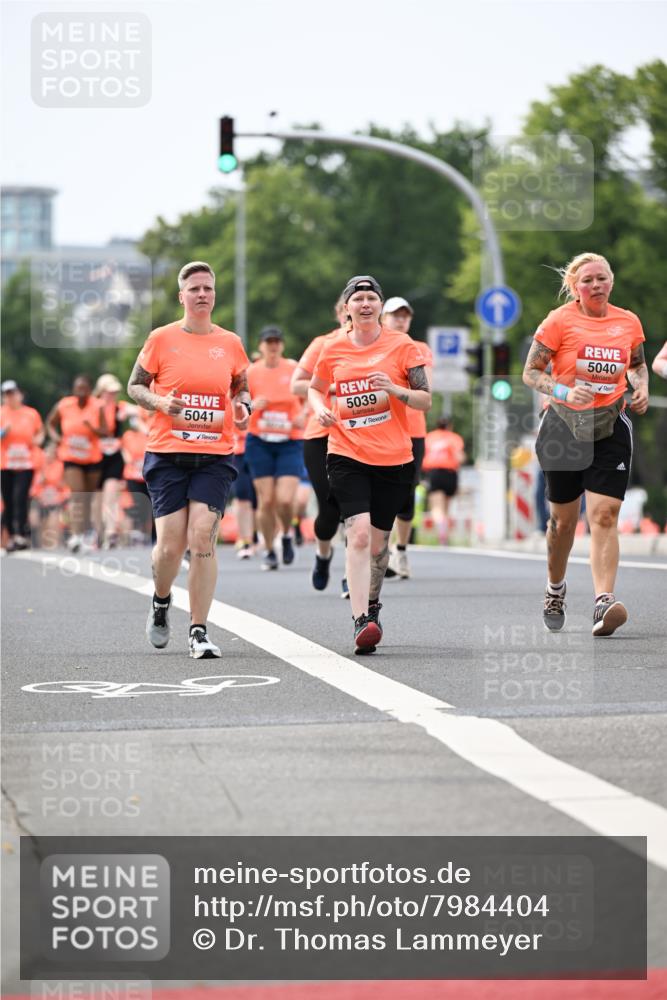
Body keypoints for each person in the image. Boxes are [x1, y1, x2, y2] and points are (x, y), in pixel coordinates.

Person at [127, 260, 251, 659]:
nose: (202, 294)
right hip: (167, 454)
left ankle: (198, 630)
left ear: (214, 295)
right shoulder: (161, 338)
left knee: (202, 536)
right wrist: (161, 402)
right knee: (169, 547)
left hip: (215, 454)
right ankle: (161, 601)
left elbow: (241, 384)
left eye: (208, 288)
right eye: (194, 288)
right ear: (182, 296)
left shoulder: (230, 342)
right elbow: (134, 386)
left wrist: (243, 404)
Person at [522, 252, 649, 637]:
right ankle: (555, 589)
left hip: (610, 423)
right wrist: (563, 390)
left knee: (605, 515)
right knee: (563, 522)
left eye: (602, 278)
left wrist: (641, 385)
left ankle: (603, 601)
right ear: (575, 287)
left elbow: (637, 364)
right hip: (563, 425)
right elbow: (531, 373)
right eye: (588, 280)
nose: (596, 285)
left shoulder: (628, 322)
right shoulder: (559, 321)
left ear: (611, 281)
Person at [309, 275, 431, 654]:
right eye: (358, 298)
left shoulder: (403, 346)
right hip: (346, 453)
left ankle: (372, 605)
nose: (365, 304)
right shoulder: (332, 348)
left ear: (380, 306)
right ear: (346, 308)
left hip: (394, 458)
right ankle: (361, 619)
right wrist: (319, 409)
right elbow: (315, 388)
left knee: (378, 544)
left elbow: (425, 399)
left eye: (371, 298)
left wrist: (394, 390)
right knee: (358, 534)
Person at [290, 297, 347, 591]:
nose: (355, 311)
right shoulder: (323, 344)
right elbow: (296, 384)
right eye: (347, 307)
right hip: (321, 434)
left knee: (358, 509)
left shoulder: (380, 346)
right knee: (329, 509)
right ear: (339, 313)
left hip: (362, 436)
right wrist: (336, 387)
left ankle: (353, 575)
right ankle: (323, 555)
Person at [380, 296, 433, 579]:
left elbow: (425, 392)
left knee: (407, 490)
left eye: (405, 316)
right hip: (381, 428)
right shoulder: (375, 347)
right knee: (380, 490)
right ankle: (381, 551)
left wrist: (393, 388)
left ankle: (400, 549)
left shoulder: (420, 349)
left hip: (412, 430)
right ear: (383, 318)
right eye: (395, 315)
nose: (400, 320)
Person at [245, 326, 304, 570]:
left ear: (282, 345)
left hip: (290, 440)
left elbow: (312, 394)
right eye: (268, 342)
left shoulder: (293, 369)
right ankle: (269, 550)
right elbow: (236, 402)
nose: (273, 346)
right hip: (260, 440)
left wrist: (305, 415)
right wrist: (251, 405)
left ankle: (287, 534)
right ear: (260, 346)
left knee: (285, 500)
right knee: (267, 500)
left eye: (277, 342)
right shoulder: (251, 372)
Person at [46, 374, 108, 552]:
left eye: (84, 388)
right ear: (73, 389)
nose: (80, 391)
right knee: (77, 495)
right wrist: (56, 438)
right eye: (77, 388)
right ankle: (75, 535)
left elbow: (105, 431)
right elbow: (50, 423)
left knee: (87, 498)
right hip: (71, 456)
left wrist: (92, 428)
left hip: (92, 458)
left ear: (89, 390)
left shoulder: (97, 406)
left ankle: (86, 533)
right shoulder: (64, 405)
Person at [1, 380, 44, 550]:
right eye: (7, 394)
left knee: (20, 497)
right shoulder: (1, 413)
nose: (10, 397)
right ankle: (12, 535)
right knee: (8, 500)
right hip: (5, 464)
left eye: (13, 393)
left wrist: (38, 440)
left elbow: (40, 432)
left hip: (25, 463)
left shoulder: (31, 414)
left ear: (20, 394)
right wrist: (3, 433)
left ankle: (20, 534)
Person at [94, 372, 136, 548]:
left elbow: (142, 410)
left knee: (110, 495)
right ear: (101, 391)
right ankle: (98, 533)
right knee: (97, 499)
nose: (112, 395)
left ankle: (110, 533)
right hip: (95, 457)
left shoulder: (121, 408)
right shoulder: (92, 407)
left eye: (114, 392)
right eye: (109, 392)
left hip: (114, 457)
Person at [422, 417, 466, 544]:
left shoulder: (430, 437)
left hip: (434, 473)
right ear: (450, 426)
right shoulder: (454, 438)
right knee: (446, 507)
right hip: (450, 474)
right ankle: (445, 534)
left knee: (436, 507)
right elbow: (460, 458)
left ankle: (441, 530)